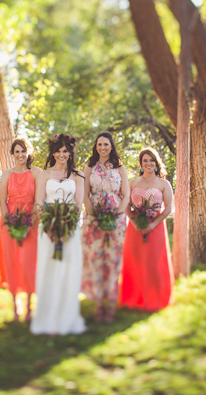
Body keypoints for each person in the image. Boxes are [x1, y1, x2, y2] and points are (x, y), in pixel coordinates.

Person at [30, 134, 86, 335]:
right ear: (53, 153)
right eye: (58, 151)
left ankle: (67, 316)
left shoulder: (78, 175)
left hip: (71, 228)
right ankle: (47, 317)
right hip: (47, 227)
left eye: (65, 151)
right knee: (49, 267)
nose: (62, 155)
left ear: (70, 152)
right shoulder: (44, 175)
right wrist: (50, 226)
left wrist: (67, 227)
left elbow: (78, 205)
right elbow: (39, 203)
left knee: (68, 269)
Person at [81, 132, 130, 322]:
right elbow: (85, 194)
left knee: (112, 260)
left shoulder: (120, 167)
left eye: (106, 144)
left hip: (116, 219)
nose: (103, 147)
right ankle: (98, 303)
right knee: (96, 258)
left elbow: (125, 195)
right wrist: (93, 214)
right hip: (93, 219)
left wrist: (117, 215)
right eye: (100, 144)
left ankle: (110, 304)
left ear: (111, 146)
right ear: (96, 146)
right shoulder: (89, 168)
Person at [119, 148, 174, 311]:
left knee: (154, 261)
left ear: (156, 164)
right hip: (135, 228)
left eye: (151, 161)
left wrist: (152, 224)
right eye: (145, 161)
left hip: (155, 227)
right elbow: (127, 206)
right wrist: (135, 223)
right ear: (141, 164)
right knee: (135, 261)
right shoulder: (133, 183)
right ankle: (135, 297)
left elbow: (168, 208)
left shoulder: (164, 184)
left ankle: (157, 297)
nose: (148, 163)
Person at [0, 138, 42, 322]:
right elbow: (2, 200)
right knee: (12, 263)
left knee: (27, 263)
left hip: (31, 222)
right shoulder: (7, 173)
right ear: (13, 154)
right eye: (17, 152)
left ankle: (30, 307)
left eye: (23, 151)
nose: (20, 155)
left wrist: (29, 221)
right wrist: (9, 220)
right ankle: (15, 306)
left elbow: (39, 201)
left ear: (28, 152)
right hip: (10, 222)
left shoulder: (37, 172)